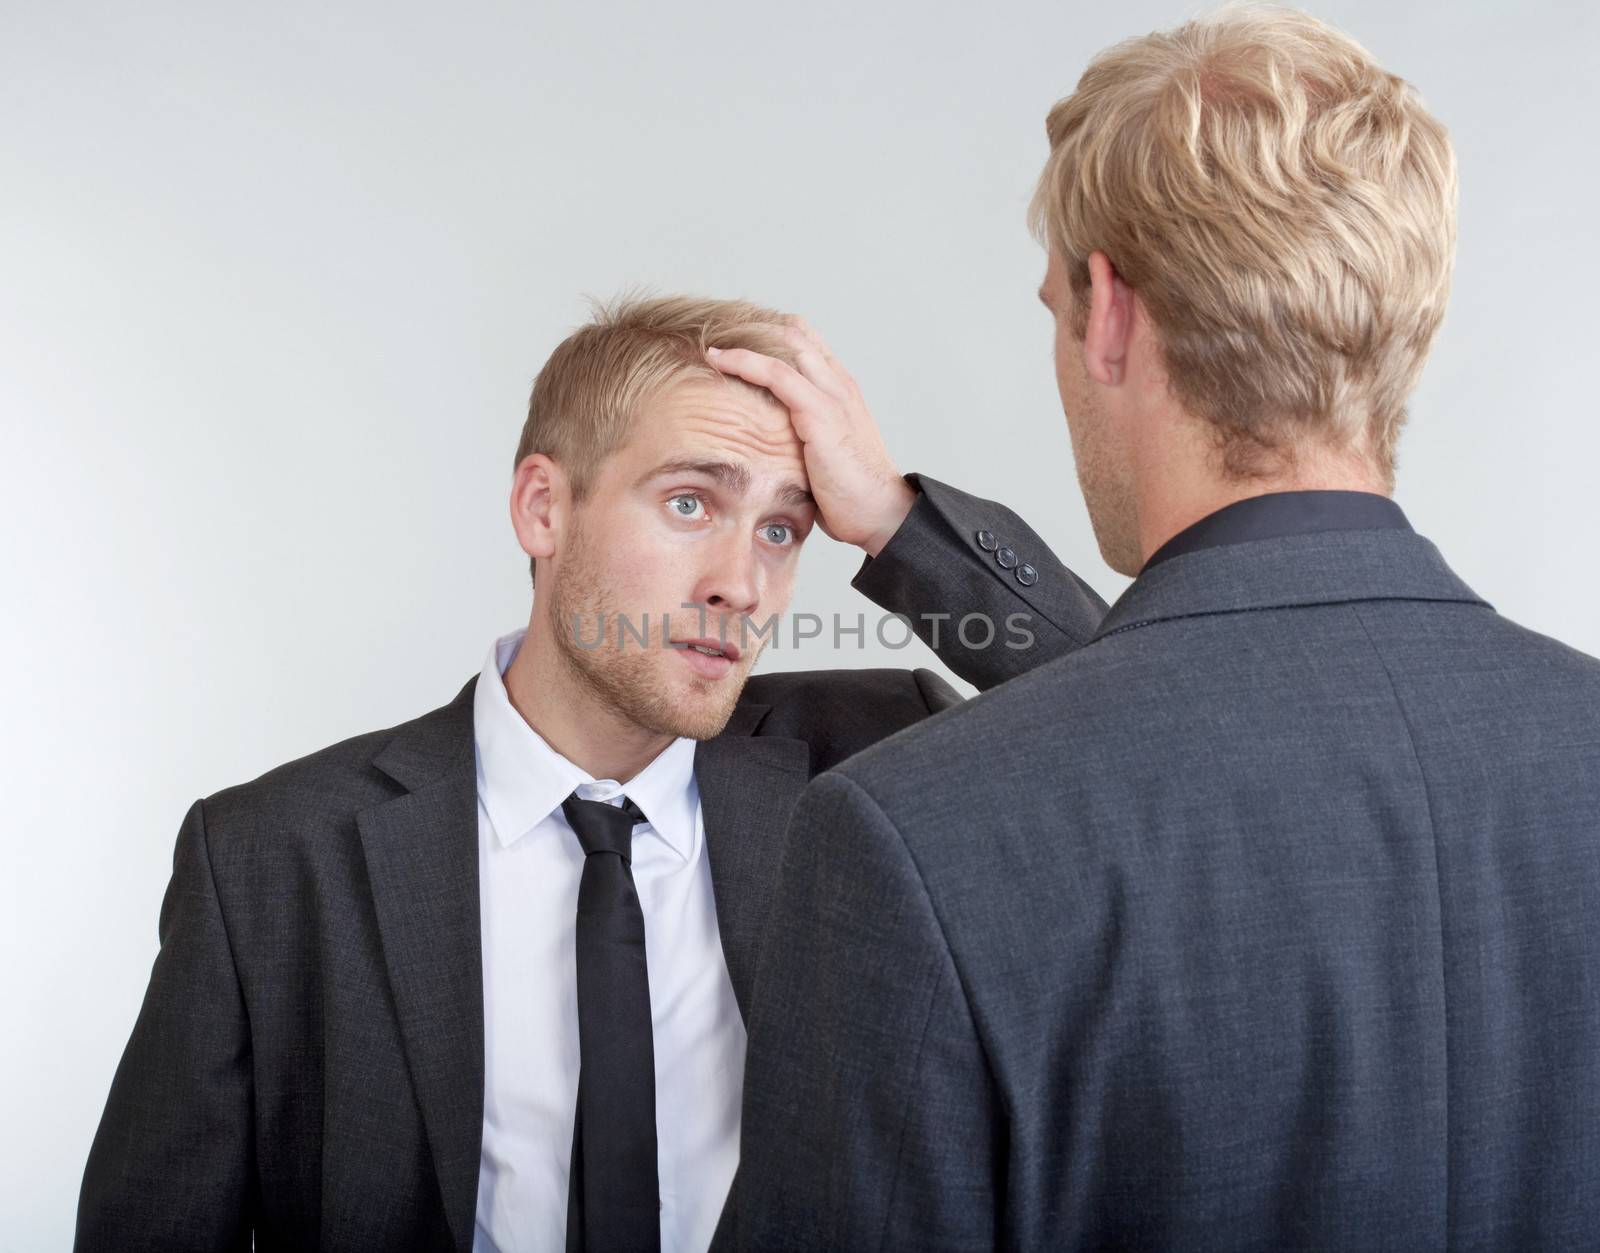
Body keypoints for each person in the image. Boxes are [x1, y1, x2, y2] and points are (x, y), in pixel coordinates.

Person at [723, 8, 1600, 1249]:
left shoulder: (907, 837)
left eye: (1054, 311)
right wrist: (905, 531)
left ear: (1112, 314)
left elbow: (1136, 751)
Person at [74, 295, 1106, 1252]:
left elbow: (1139, 713)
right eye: (692, 502)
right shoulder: (269, 858)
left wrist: (889, 513)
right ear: (541, 508)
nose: (741, 585)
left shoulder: (861, 762)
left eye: (781, 528)